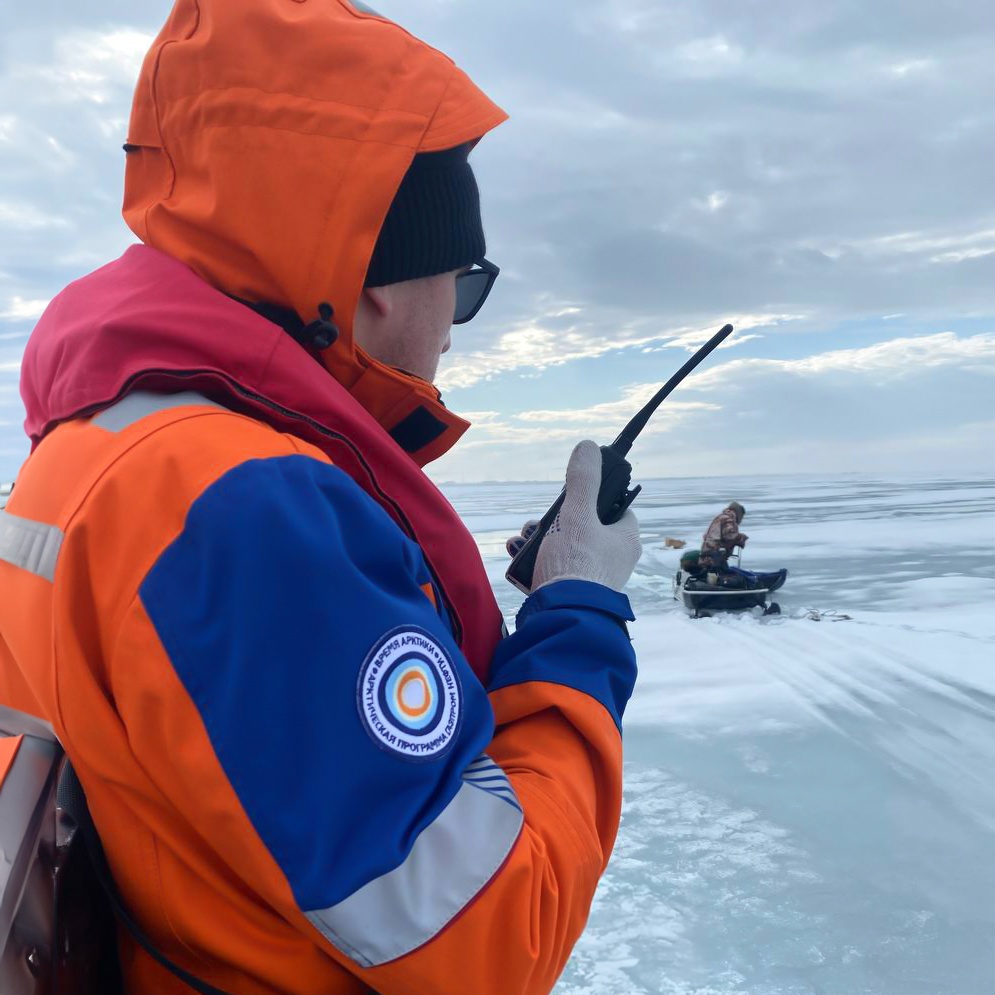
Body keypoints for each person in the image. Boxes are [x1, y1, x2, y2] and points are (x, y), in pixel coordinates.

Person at [0, 2, 642, 993]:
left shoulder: (100, 441)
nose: (454, 326)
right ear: (375, 283)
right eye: (460, 284)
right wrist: (580, 616)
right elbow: (489, 936)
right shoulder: (239, 512)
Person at [699, 501, 749, 573]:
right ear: (738, 513)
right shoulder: (728, 519)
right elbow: (730, 536)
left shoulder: (722, 517)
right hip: (714, 557)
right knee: (724, 576)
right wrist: (741, 538)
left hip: (708, 555)